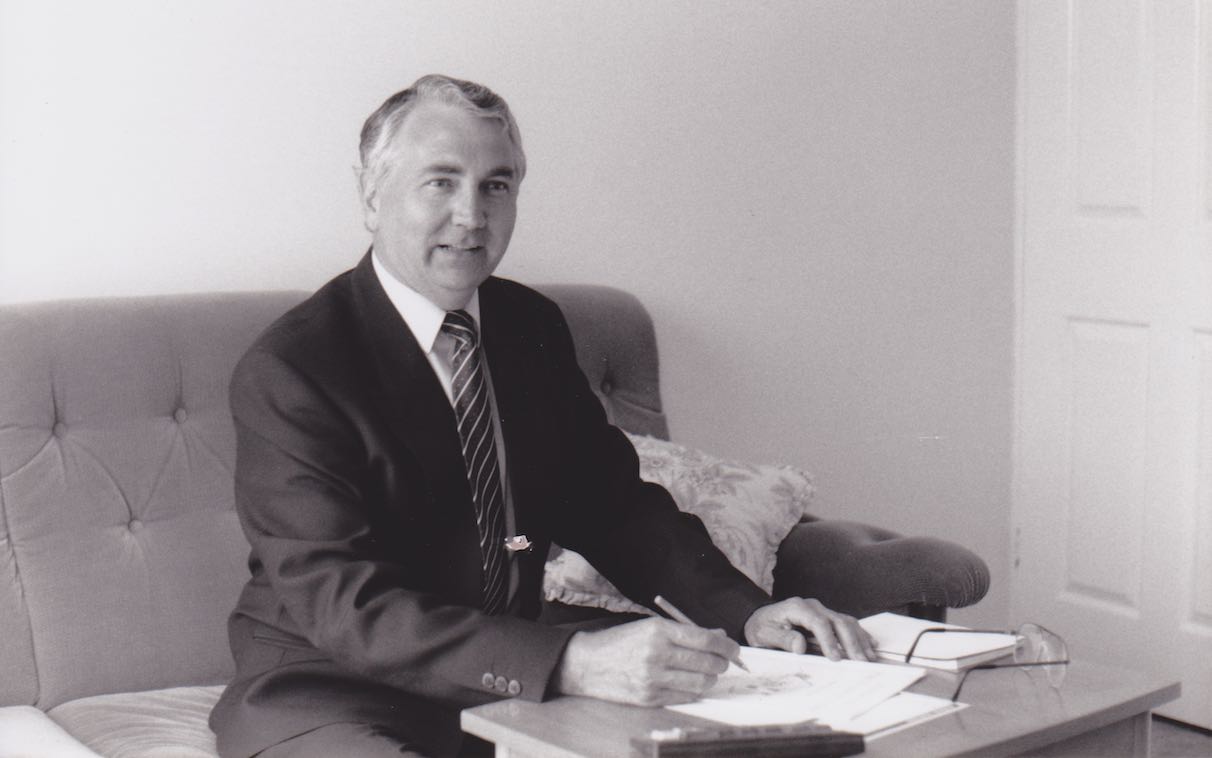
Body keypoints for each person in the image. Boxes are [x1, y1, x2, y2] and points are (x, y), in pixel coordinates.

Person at [209, 74, 875, 758]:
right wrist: (569, 662)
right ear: (371, 196)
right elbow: (346, 605)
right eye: (440, 182)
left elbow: (614, 507)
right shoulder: (294, 369)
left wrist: (749, 613)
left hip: (512, 684)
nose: (472, 216)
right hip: (330, 690)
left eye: (496, 185)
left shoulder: (529, 326)